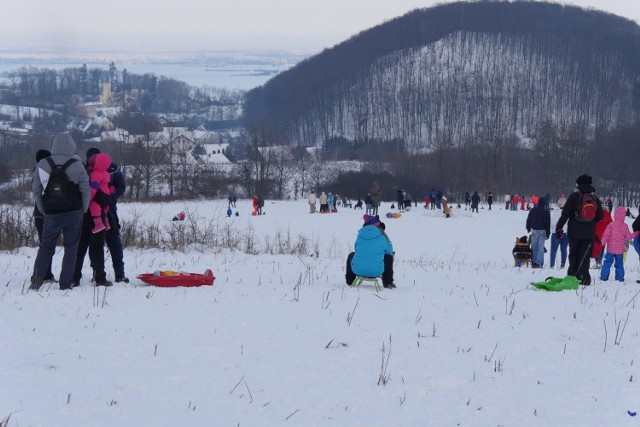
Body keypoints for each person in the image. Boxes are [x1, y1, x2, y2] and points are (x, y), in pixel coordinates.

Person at [30, 133, 90, 291]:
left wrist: (42, 209)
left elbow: (36, 189)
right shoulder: (77, 164)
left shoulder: (43, 163)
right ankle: (65, 284)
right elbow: (85, 189)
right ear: (71, 146)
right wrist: (84, 208)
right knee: (71, 248)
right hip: (73, 213)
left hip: (51, 213)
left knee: (45, 247)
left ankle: (36, 281)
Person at [72, 149, 114, 288]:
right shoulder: (103, 174)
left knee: (80, 247)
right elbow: (103, 195)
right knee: (97, 248)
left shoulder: (82, 171)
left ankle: (74, 276)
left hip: (82, 214)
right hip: (98, 216)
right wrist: (107, 199)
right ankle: (99, 277)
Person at [555, 174, 604, 286]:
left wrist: (559, 227)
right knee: (585, 255)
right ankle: (584, 278)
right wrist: (591, 223)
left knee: (573, 253)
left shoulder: (574, 196)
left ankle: (572, 276)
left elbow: (565, 214)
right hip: (589, 233)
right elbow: (600, 215)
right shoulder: (594, 198)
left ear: (579, 184)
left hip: (574, 232)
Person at [345, 214, 395, 289]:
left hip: (357, 270)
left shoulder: (360, 235)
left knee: (351, 255)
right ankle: (388, 283)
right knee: (389, 257)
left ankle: (350, 280)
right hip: (376, 271)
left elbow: (357, 249)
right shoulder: (383, 237)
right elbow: (389, 251)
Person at [32, 149, 55, 282]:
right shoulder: (49, 172)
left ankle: (43, 273)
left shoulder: (36, 171)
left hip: (38, 213)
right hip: (49, 212)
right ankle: (45, 274)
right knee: (47, 246)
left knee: (44, 245)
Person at [599, 206, 639, 282]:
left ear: (615, 215)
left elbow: (605, 236)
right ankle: (620, 278)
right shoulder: (624, 226)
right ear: (624, 215)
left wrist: (600, 244)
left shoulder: (611, 225)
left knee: (607, 262)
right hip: (620, 251)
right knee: (619, 264)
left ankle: (604, 277)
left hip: (610, 250)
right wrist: (637, 233)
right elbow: (629, 236)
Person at [87, 152, 113, 233]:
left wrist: (88, 198)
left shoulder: (95, 174)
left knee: (94, 206)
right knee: (105, 209)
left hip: (99, 195)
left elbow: (94, 188)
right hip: (107, 194)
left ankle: (98, 224)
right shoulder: (106, 173)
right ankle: (106, 223)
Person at [526, 199, 551, 268]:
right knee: (540, 247)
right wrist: (548, 233)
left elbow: (529, 219)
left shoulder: (533, 210)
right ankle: (538, 262)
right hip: (542, 231)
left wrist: (528, 228)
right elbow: (548, 223)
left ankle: (534, 262)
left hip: (534, 230)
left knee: (534, 246)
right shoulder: (546, 212)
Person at [549, 196, 569, 268]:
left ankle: (552, 265)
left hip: (556, 233)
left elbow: (553, 223)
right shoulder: (568, 213)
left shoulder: (556, 213)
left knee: (553, 250)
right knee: (564, 250)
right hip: (566, 233)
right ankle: (563, 264)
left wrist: (553, 228)